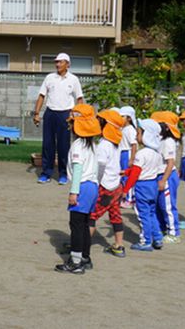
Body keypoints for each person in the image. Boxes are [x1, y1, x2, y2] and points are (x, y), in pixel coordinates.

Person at [55, 104, 100, 274]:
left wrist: (74, 192)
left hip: (82, 186)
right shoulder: (93, 145)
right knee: (85, 223)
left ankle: (75, 261)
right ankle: (85, 257)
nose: (70, 126)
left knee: (76, 225)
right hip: (93, 186)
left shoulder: (78, 145)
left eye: (72, 123)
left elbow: (78, 168)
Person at [32, 53, 85, 185]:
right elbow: (41, 95)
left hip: (66, 114)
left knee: (63, 145)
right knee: (48, 144)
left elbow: (79, 99)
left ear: (67, 64)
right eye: (56, 62)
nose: (57, 64)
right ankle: (46, 173)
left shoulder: (73, 79)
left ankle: (63, 173)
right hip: (50, 113)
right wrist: (37, 113)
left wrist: (77, 116)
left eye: (60, 62)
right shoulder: (50, 77)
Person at [122, 119, 163, 251]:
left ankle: (145, 241)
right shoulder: (156, 153)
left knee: (143, 214)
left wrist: (126, 189)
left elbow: (136, 173)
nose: (136, 135)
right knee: (152, 213)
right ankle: (157, 238)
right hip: (153, 185)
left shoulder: (141, 154)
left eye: (138, 133)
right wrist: (127, 172)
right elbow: (142, 169)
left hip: (142, 186)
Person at [89, 109, 126, 257]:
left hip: (105, 186)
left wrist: (95, 183)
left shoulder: (104, 144)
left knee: (91, 216)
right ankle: (119, 245)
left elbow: (101, 166)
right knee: (115, 215)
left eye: (100, 121)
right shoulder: (115, 143)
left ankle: (81, 244)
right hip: (116, 185)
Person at [151, 111, 181, 243]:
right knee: (159, 204)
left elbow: (170, 162)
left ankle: (174, 233)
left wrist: (163, 180)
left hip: (166, 176)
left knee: (167, 205)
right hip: (161, 175)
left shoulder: (168, 141)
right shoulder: (160, 140)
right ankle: (164, 228)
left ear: (166, 127)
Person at [119, 106, 138, 208]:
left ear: (129, 118)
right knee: (123, 176)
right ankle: (125, 197)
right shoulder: (124, 129)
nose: (120, 118)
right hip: (122, 153)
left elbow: (134, 145)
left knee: (128, 177)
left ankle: (129, 199)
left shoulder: (130, 130)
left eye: (122, 116)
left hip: (127, 153)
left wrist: (132, 158)